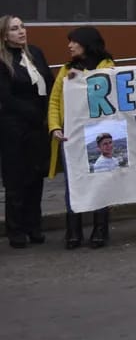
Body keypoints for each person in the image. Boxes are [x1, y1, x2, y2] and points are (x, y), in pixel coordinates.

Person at [48, 26, 115, 249]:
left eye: (74, 42)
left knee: (100, 182)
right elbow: (55, 102)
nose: (69, 46)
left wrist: (81, 79)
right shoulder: (65, 71)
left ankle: (100, 228)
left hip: (98, 134)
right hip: (72, 137)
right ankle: (73, 230)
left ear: (86, 43)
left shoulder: (108, 67)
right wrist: (55, 127)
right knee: (73, 184)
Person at [0, 15, 52, 248]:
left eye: (22, 27)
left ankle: (34, 226)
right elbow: (6, 96)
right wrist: (30, 113)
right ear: (4, 35)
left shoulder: (36, 53)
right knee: (15, 179)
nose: (21, 31)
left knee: (35, 177)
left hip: (37, 126)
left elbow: (48, 82)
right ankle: (16, 229)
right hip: (14, 126)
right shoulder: (2, 60)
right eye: (14, 29)